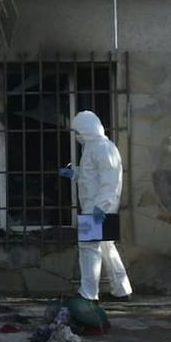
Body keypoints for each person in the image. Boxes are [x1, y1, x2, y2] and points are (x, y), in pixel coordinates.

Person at [60, 110, 133, 303]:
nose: (77, 136)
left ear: (87, 129)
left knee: (88, 248)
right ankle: (122, 289)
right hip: (96, 207)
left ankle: (88, 294)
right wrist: (73, 173)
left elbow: (109, 181)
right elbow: (89, 176)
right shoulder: (93, 147)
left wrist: (102, 206)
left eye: (78, 131)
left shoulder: (103, 148)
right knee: (106, 247)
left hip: (97, 209)